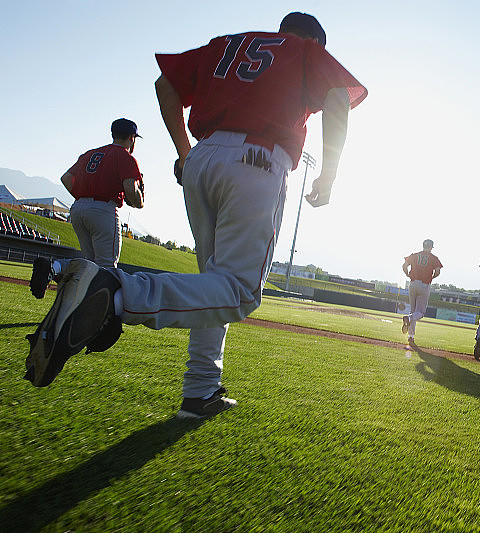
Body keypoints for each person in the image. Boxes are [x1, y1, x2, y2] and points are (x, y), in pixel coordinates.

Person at [24, 12, 367, 419]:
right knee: (239, 292)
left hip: (203, 158)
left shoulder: (227, 43)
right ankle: (113, 292)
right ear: (315, 40)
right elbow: (338, 96)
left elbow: (164, 84)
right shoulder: (307, 50)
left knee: (214, 284)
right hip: (258, 158)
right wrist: (328, 174)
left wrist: (185, 151)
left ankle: (200, 389)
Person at [29, 119, 145, 298]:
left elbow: (66, 178)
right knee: (107, 269)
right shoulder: (125, 156)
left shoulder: (90, 154)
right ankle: (100, 315)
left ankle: (56, 267)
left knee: (89, 264)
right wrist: (140, 199)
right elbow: (131, 191)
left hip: (78, 208)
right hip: (104, 209)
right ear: (132, 138)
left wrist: (84, 195)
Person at [401, 239, 443, 344]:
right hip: (424, 284)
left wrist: (407, 274)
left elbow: (404, 266)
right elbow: (438, 271)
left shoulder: (415, 255)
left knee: (413, 310)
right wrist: (432, 277)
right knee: (420, 313)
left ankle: (411, 336)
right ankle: (409, 319)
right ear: (431, 247)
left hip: (413, 283)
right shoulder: (433, 258)